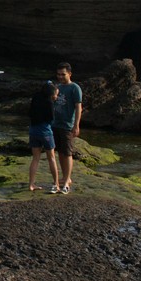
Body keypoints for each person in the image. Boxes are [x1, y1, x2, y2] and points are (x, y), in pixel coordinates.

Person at [51, 62, 82, 195]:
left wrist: (76, 125)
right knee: (60, 153)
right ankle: (64, 177)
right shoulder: (57, 86)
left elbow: (78, 107)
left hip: (67, 125)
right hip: (55, 124)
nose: (60, 77)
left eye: (63, 74)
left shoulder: (74, 88)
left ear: (70, 74)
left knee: (68, 153)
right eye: (58, 74)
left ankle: (67, 179)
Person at [28, 81, 61, 193]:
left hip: (33, 131)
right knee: (51, 158)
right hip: (45, 132)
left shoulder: (36, 97)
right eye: (56, 94)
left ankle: (31, 184)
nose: (56, 96)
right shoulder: (49, 103)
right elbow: (51, 119)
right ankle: (56, 184)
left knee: (35, 158)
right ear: (51, 94)